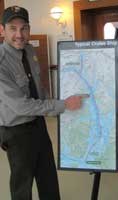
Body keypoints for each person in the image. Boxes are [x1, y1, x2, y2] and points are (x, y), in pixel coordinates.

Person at [0, 5, 88, 200]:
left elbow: (38, 88)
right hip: (17, 133)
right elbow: (22, 106)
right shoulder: (1, 61)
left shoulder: (30, 50)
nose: (19, 34)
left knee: (48, 178)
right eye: (13, 28)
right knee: (22, 186)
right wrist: (62, 105)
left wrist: (54, 100)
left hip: (39, 125)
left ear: (29, 29)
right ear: (2, 30)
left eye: (24, 28)